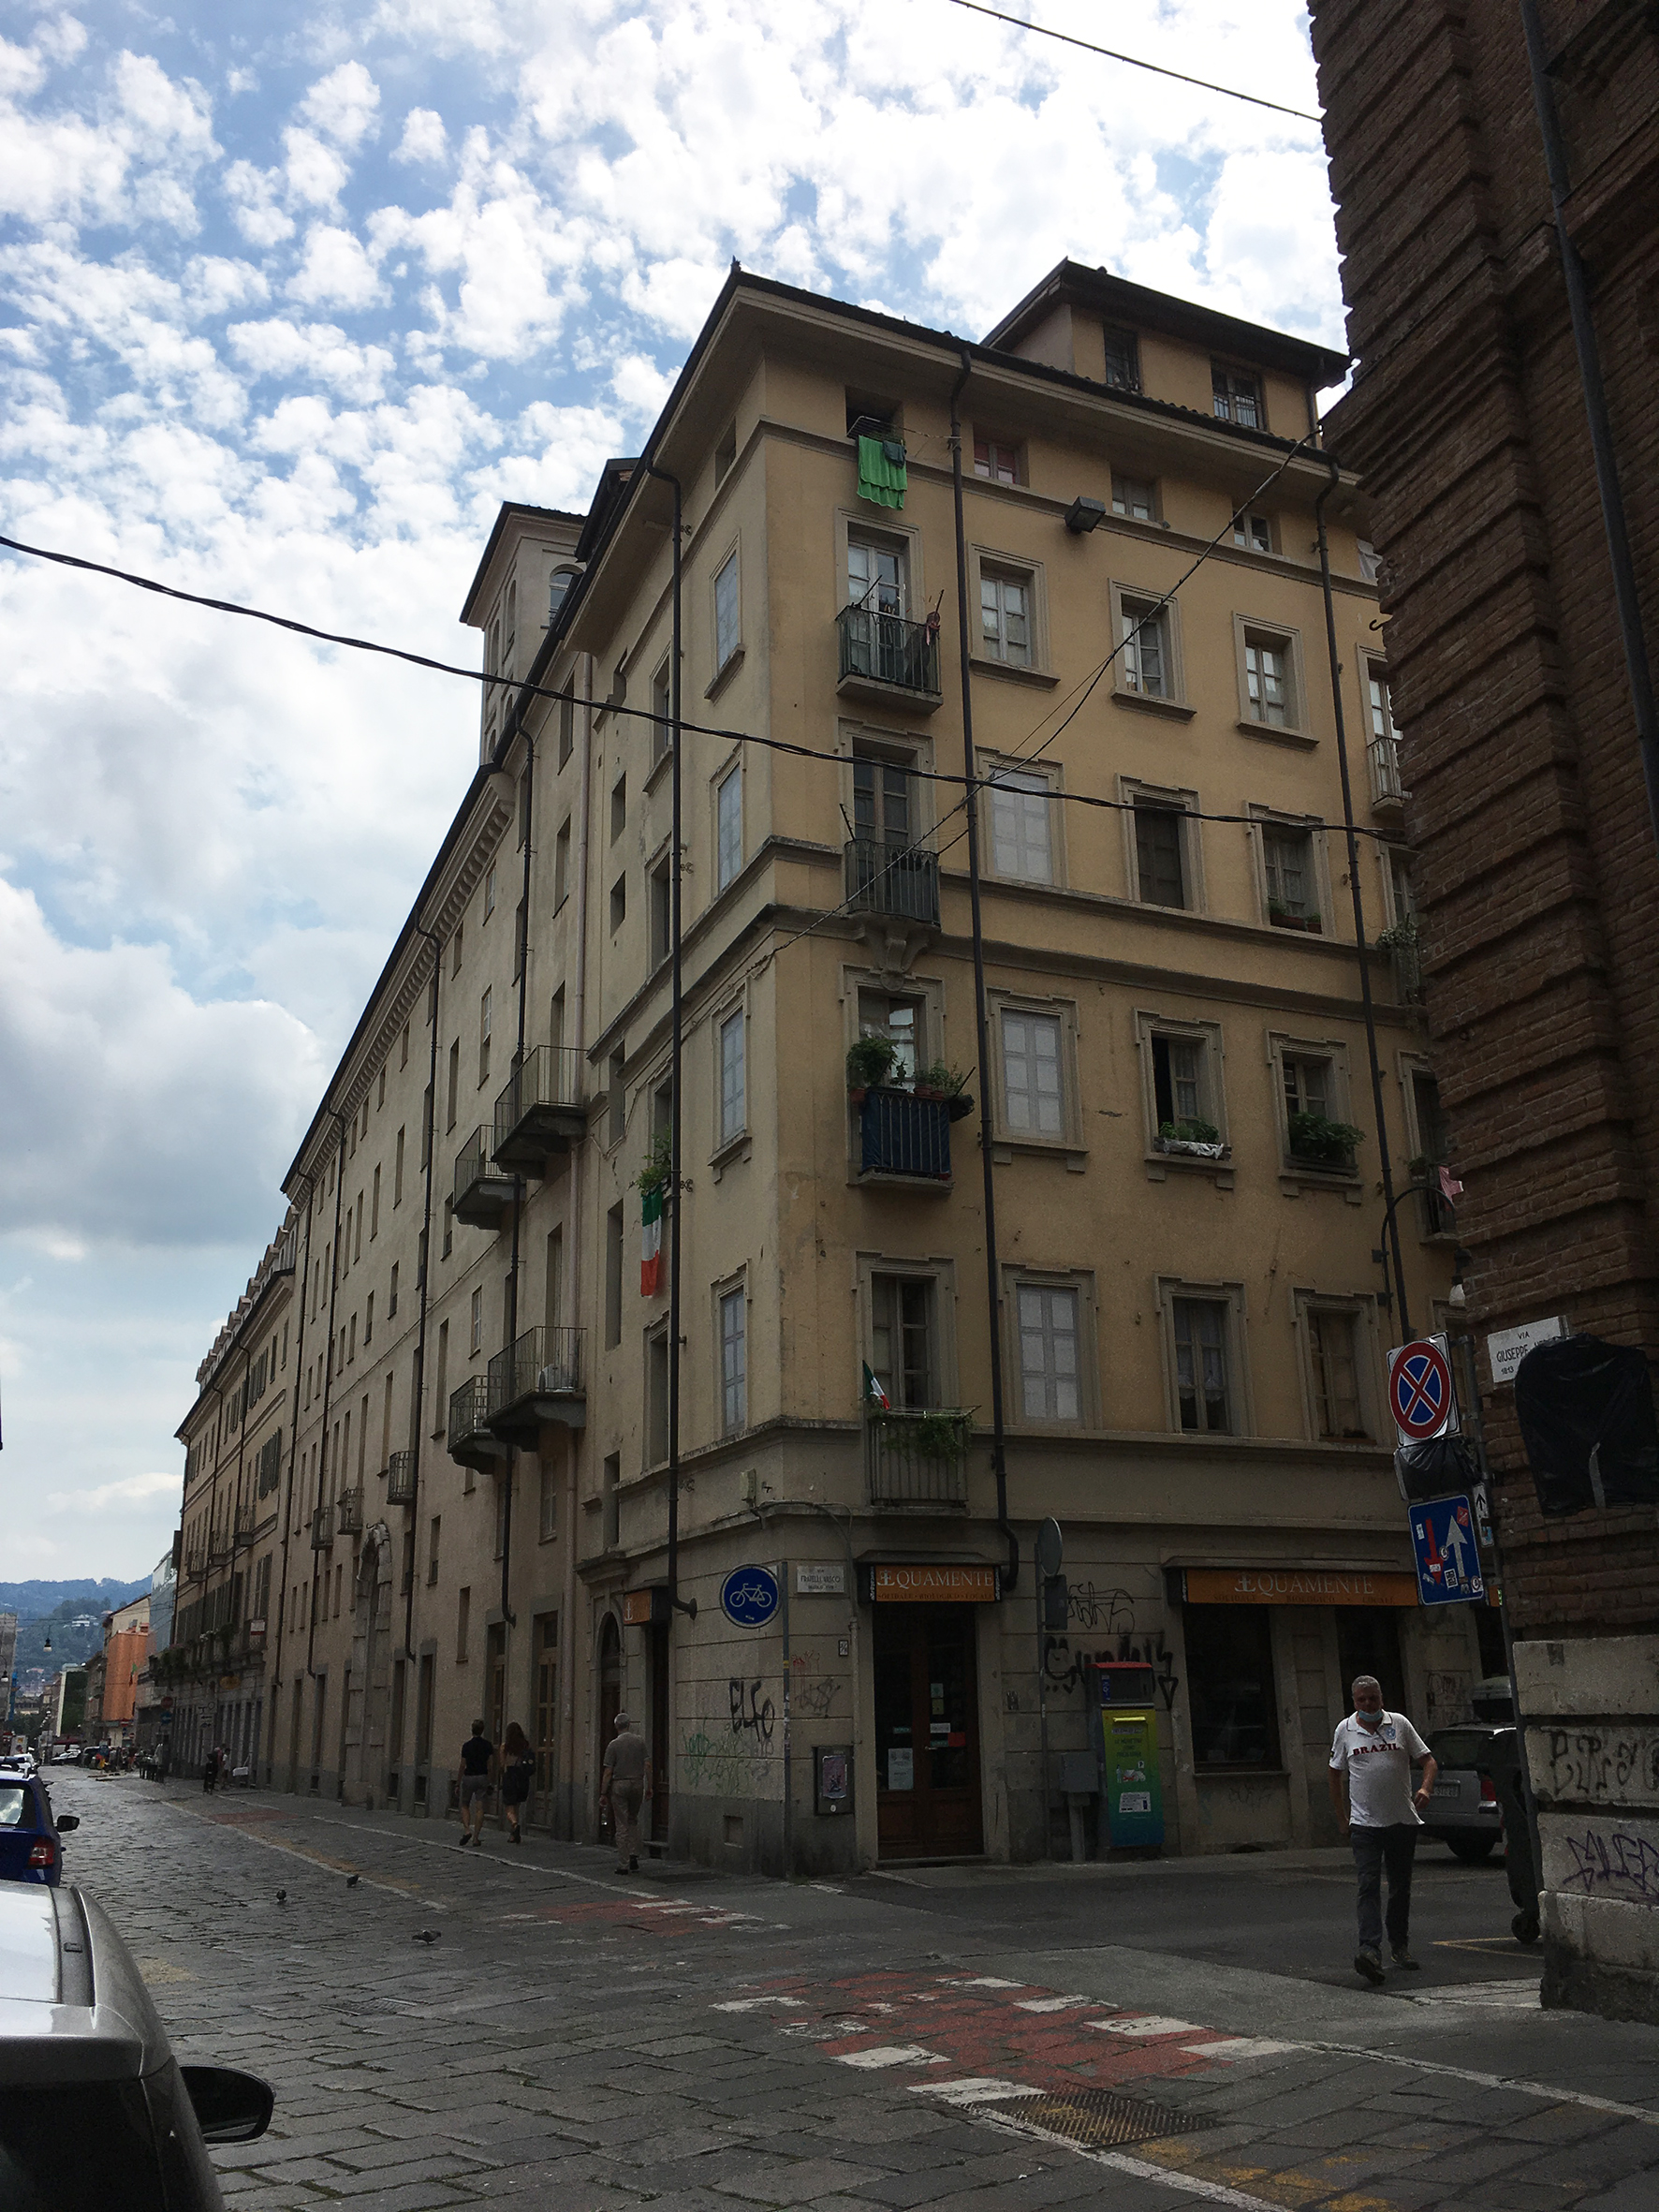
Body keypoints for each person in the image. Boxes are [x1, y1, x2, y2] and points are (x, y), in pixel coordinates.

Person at [1329, 1674, 1439, 1983]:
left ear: (1381, 1699)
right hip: (1364, 1824)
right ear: (1354, 1702)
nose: (1367, 1704)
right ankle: (1369, 1950)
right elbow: (1334, 1774)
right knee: (1368, 1885)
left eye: (1372, 1699)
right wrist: (1342, 1817)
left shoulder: (1399, 1725)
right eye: (1361, 1700)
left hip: (1402, 1821)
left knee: (1400, 1886)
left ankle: (1399, 1946)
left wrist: (1426, 1789)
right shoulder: (1345, 1730)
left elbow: (1428, 1761)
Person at [598, 1711, 651, 1874]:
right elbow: (647, 1765)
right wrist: (650, 1787)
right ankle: (634, 1855)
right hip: (637, 1783)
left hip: (620, 1785)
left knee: (621, 1824)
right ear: (629, 1725)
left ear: (616, 1727)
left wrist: (603, 1793)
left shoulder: (613, 1745)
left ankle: (623, 1863)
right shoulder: (640, 1742)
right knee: (633, 1819)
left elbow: (608, 1772)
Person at [456, 1719, 495, 1846]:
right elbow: (490, 1765)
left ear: (472, 1730)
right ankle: (476, 1838)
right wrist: (490, 1781)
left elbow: (462, 1765)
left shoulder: (466, 1746)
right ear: (482, 1730)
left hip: (469, 1777)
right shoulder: (487, 1745)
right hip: (482, 1777)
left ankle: (467, 1830)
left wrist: (458, 1782)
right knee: (480, 1808)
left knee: (464, 1805)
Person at [500, 1722, 533, 1845]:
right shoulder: (525, 1745)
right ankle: (513, 1835)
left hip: (510, 1777)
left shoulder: (505, 1747)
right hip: (522, 1778)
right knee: (517, 1806)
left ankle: (514, 1824)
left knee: (509, 1809)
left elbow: (502, 1764)